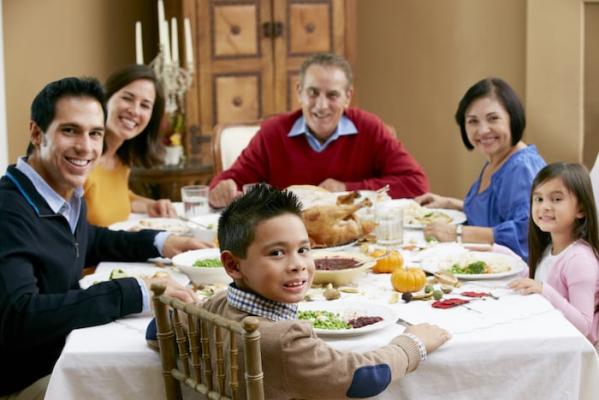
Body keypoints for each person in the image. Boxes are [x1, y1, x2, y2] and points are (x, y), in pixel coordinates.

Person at [0, 77, 210, 398]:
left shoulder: (63, 192)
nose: (86, 147)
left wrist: (160, 241)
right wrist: (133, 293)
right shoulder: (9, 209)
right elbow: (19, 318)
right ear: (36, 133)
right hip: (33, 378)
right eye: (70, 130)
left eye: (95, 133)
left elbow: (89, 240)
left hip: (62, 354)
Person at [203, 184, 450, 399]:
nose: (298, 264)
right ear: (233, 265)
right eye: (277, 253)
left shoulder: (215, 304)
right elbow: (362, 378)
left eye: (303, 249)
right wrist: (413, 344)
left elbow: (169, 326)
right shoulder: (282, 342)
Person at [208, 52, 429, 208]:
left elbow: (416, 183)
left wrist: (347, 190)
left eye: (332, 95)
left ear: (347, 97)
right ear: (299, 92)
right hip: (288, 241)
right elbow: (225, 183)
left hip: (357, 238)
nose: (321, 105)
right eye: (313, 93)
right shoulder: (272, 133)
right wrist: (222, 189)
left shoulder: (370, 128)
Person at [415, 78, 546, 261]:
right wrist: (452, 204)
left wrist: (458, 233)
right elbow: (496, 216)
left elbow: (527, 233)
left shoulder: (521, 168)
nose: (483, 130)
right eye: (473, 121)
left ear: (512, 117)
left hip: (515, 279)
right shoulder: (497, 160)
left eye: (493, 118)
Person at [509, 163, 599, 344]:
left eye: (556, 199)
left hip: (576, 358)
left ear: (580, 209)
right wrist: (497, 251)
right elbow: (540, 278)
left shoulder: (579, 259)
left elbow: (585, 328)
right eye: (539, 199)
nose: (544, 207)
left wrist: (543, 290)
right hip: (551, 341)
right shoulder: (550, 247)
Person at [84, 64, 176, 226]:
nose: (135, 111)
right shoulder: (82, 157)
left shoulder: (122, 158)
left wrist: (150, 205)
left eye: (145, 105)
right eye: (127, 98)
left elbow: (115, 196)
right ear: (106, 98)